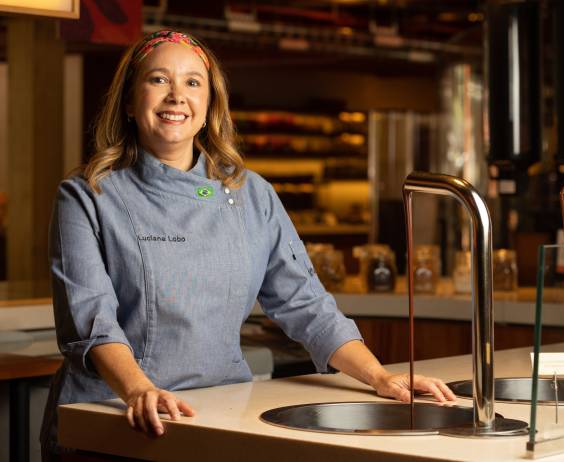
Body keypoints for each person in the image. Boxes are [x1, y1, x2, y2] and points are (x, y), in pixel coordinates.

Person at [41, 29, 455, 459]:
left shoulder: (250, 193)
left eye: (192, 83)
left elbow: (306, 304)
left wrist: (378, 375)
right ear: (128, 101)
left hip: (217, 411)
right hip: (112, 414)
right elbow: (91, 323)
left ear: (209, 107)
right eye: (158, 80)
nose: (176, 95)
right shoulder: (87, 195)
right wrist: (140, 390)